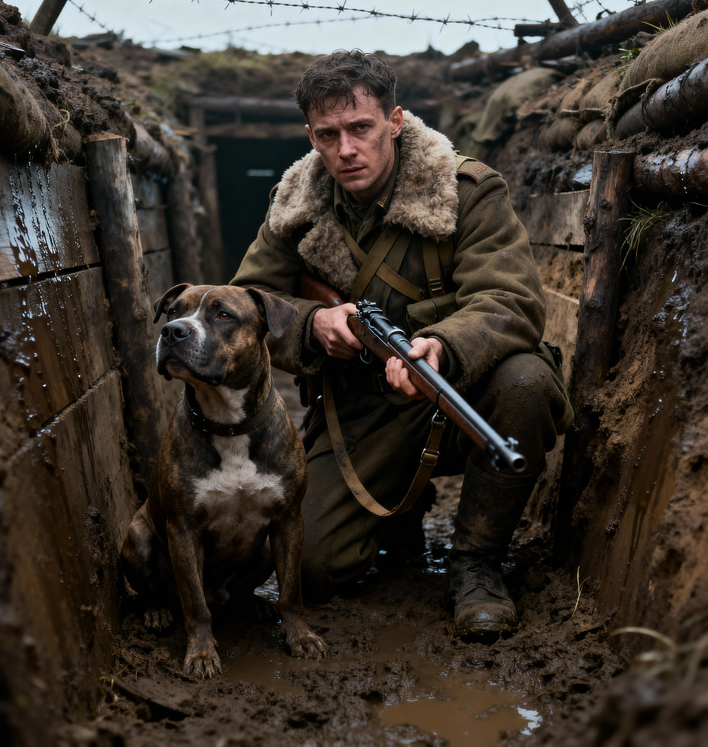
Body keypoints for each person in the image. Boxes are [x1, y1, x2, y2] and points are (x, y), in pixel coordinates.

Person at [230, 49, 573, 639]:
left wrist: (442, 345)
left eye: (361, 128)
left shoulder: (466, 190)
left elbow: (512, 300)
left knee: (528, 382)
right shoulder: (293, 206)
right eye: (328, 134)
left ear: (394, 121)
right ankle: (396, 520)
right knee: (308, 568)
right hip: (363, 405)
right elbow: (247, 302)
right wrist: (314, 324)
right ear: (309, 135)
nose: (346, 150)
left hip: (460, 387)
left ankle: (477, 562)